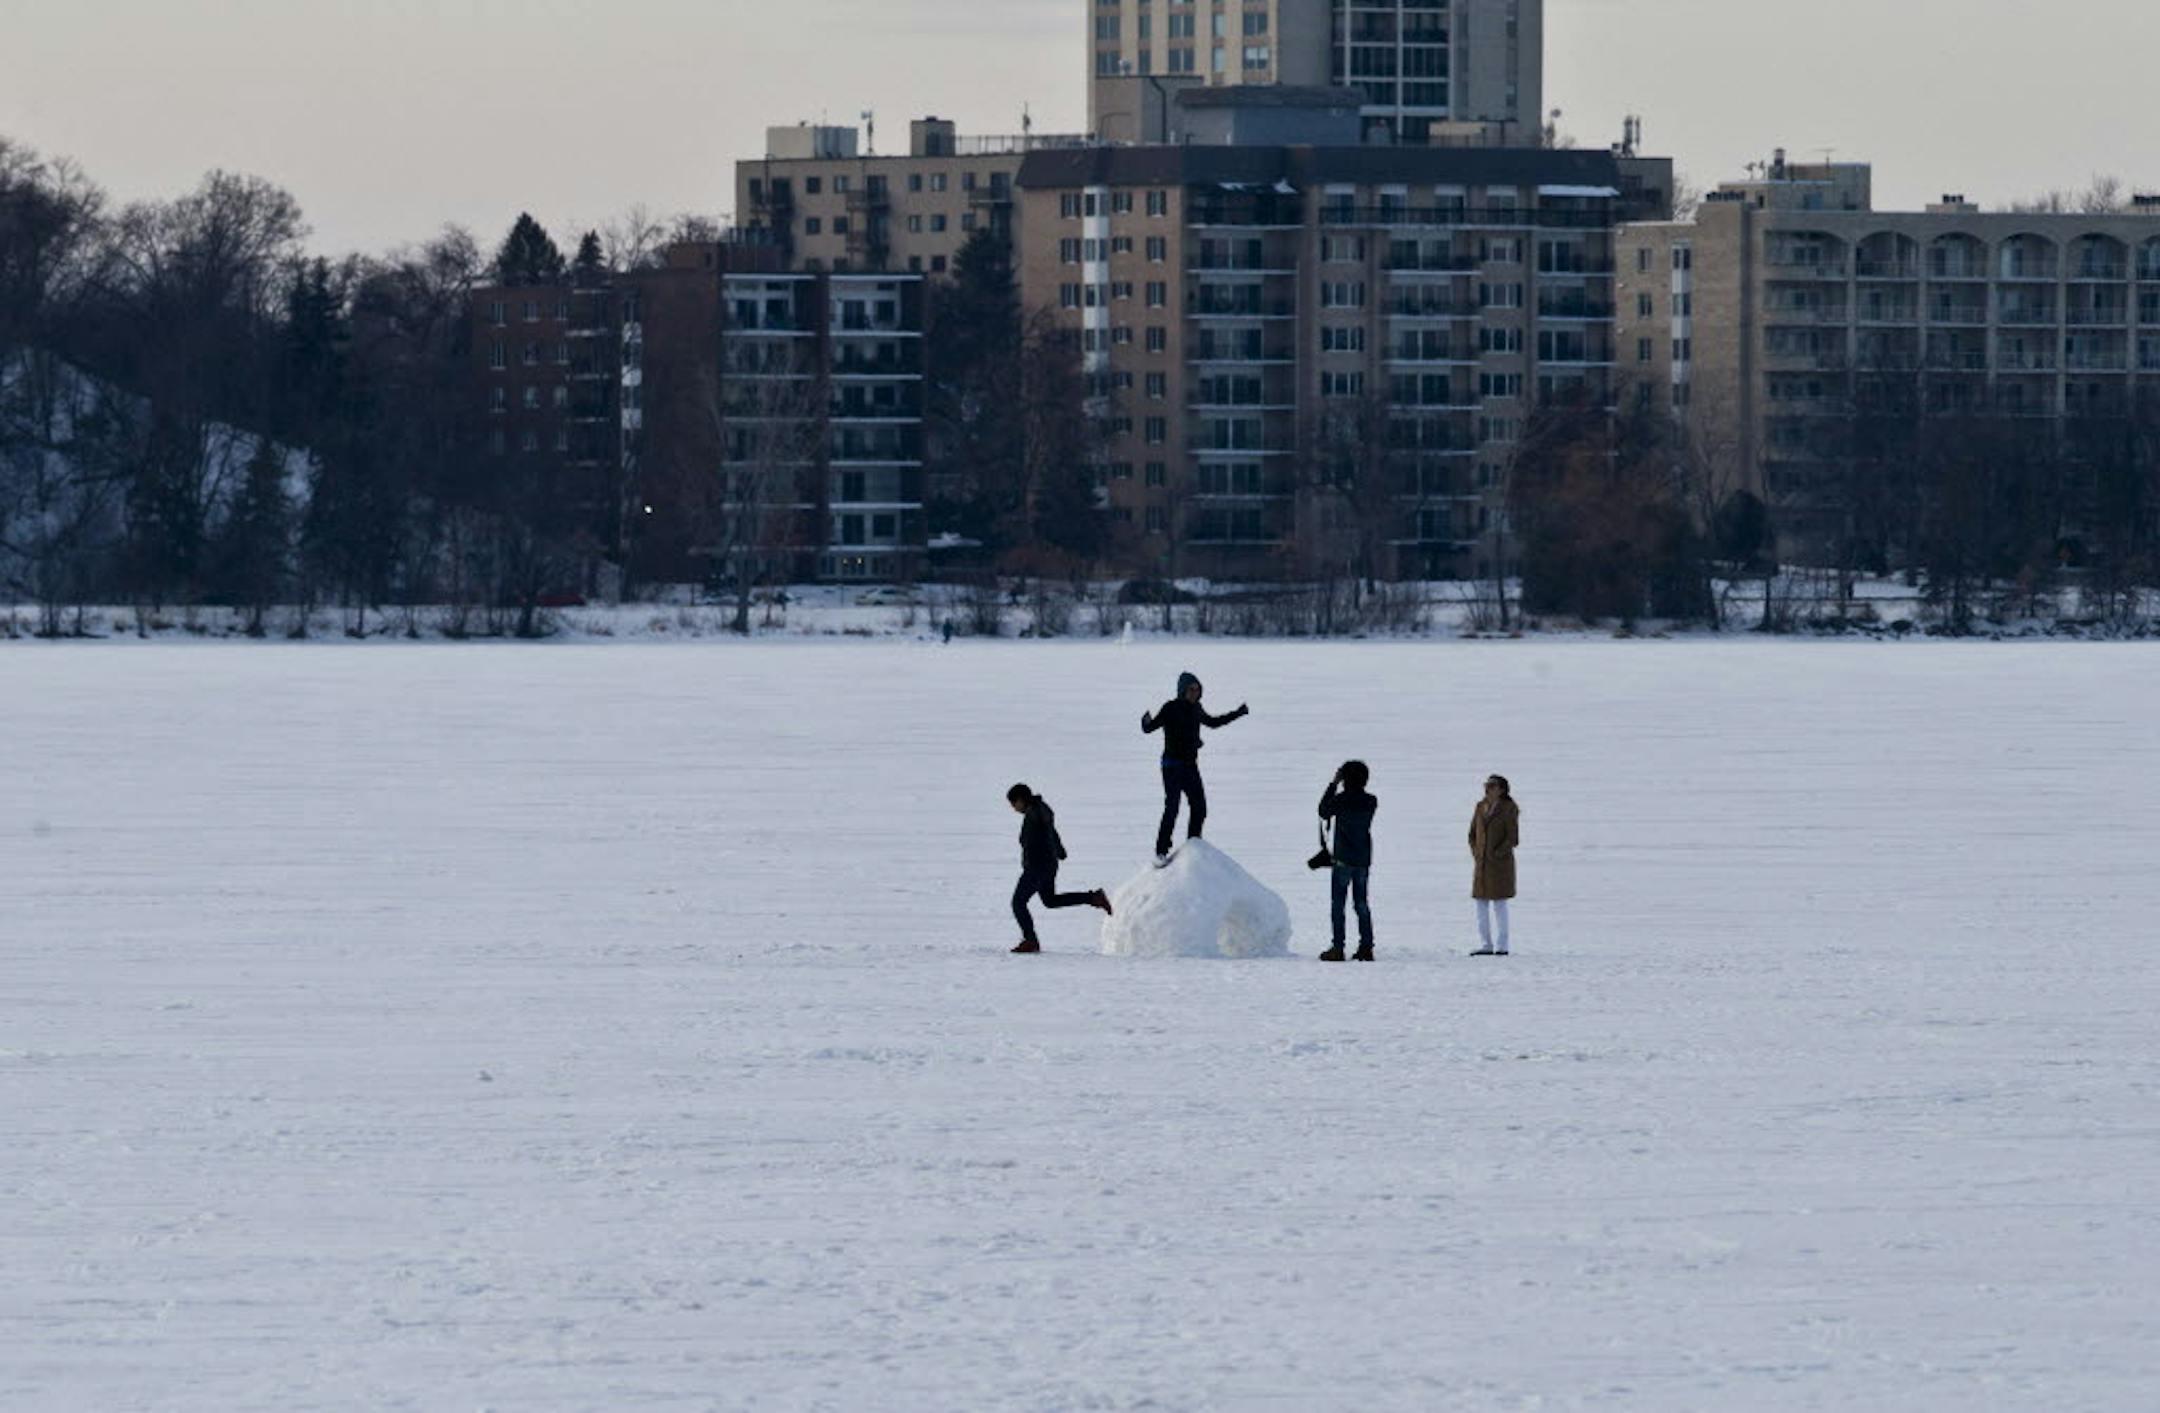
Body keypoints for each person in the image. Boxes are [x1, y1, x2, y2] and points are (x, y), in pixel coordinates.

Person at [1141, 672, 1250, 862]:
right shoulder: (1170, 707)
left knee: (1200, 807)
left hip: (1190, 767)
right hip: (1172, 767)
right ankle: (1161, 851)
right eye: (1191, 689)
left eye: (1198, 689)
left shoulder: (1196, 708)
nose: (1195, 693)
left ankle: (1193, 845)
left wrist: (1238, 713)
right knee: (1172, 807)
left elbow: (1214, 723)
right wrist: (1146, 721)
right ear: (1183, 690)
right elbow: (1150, 728)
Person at [1007, 784, 1112, 955]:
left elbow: (1047, 829)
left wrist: (1054, 851)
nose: (1013, 808)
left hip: (1037, 867)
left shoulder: (1035, 813)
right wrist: (1059, 850)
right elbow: (1050, 830)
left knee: (1018, 903)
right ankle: (1093, 897)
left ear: (1020, 800)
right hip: (1047, 865)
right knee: (1050, 901)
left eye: (1013, 804)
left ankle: (1030, 940)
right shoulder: (1038, 810)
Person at [1317, 760, 1378, 963]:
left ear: (1345, 779)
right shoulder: (1371, 801)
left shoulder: (1341, 800)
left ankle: (1338, 947)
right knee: (1361, 904)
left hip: (1343, 859)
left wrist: (1333, 784)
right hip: (1363, 859)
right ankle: (1366, 947)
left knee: (1338, 905)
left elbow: (1323, 810)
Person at [1469, 774, 1520, 956]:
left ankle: (1502, 945)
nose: (1487, 789)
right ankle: (1485, 944)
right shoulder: (1480, 806)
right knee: (1481, 904)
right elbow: (1472, 834)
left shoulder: (1509, 808)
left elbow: (1513, 838)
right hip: (1481, 865)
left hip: (1500, 865)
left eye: (1492, 786)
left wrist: (1497, 853)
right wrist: (1477, 852)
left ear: (1501, 789)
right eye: (1486, 785)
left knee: (1500, 904)